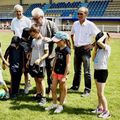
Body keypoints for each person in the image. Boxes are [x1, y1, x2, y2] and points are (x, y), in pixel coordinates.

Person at [69, 7, 100, 97]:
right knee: (76, 70)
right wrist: (73, 43)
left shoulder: (90, 25)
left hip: (86, 50)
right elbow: (71, 34)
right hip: (77, 50)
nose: (79, 15)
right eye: (78, 13)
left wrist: (92, 45)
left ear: (86, 14)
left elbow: (100, 35)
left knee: (87, 71)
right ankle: (75, 86)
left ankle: (87, 89)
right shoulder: (75, 24)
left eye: (81, 14)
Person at [31, 8, 58, 95]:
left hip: (49, 54)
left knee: (50, 73)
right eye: (34, 18)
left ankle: (50, 89)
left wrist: (50, 39)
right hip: (39, 55)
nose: (34, 20)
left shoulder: (51, 24)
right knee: (39, 74)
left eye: (36, 18)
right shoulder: (35, 25)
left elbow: (58, 37)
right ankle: (39, 91)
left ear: (42, 17)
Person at [45, 31, 71, 113]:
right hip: (56, 72)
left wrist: (64, 76)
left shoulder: (67, 50)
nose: (56, 42)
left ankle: (60, 106)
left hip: (62, 73)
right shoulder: (57, 48)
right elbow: (55, 59)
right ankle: (54, 104)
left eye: (57, 41)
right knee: (53, 88)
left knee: (62, 89)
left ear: (63, 40)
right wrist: (52, 71)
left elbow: (68, 64)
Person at [11, 4, 32, 94]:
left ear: (22, 11)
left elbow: (30, 33)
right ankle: (17, 85)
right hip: (17, 46)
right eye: (17, 11)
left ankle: (27, 85)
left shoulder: (27, 20)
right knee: (18, 66)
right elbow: (14, 32)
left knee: (25, 68)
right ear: (15, 12)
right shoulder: (13, 21)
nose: (18, 13)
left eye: (20, 11)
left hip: (26, 46)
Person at [28, 24, 49, 106]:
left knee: (41, 80)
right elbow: (32, 51)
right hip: (32, 63)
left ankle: (43, 98)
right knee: (36, 79)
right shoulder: (33, 40)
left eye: (33, 35)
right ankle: (38, 94)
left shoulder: (44, 41)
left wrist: (40, 59)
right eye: (31, 35)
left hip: (40, 64)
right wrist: (28, 61)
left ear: (37, 32)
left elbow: (47, 53)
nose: (32, 36)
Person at [92, 32, 111, 119]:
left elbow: (99, 42)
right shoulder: (99, 49)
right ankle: (100, 108)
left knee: (101, 93)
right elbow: (93, 59)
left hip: (103, 72)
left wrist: (104, 35)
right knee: (98, 93)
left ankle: (107, 112)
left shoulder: (107, 48)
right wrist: (95, 48)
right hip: (97, 71)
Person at [20, 27, 33, 94]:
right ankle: (26, 87)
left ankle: (26, 86)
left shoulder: (30, 40)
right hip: (24, 60)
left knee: (25, 74)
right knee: (25, 74)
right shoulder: (23, 41)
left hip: (25, 60)